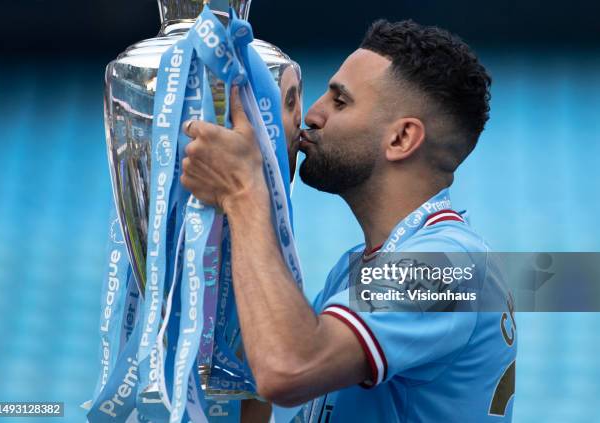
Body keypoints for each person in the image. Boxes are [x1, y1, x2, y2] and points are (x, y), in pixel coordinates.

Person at [180, 19, 517, 423]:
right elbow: (256, 392)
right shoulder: (355, 268)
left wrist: (243, 192)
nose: (313, 115)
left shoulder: (449, 265)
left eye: (340, 102)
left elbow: (287, 369)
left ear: (401, 139)